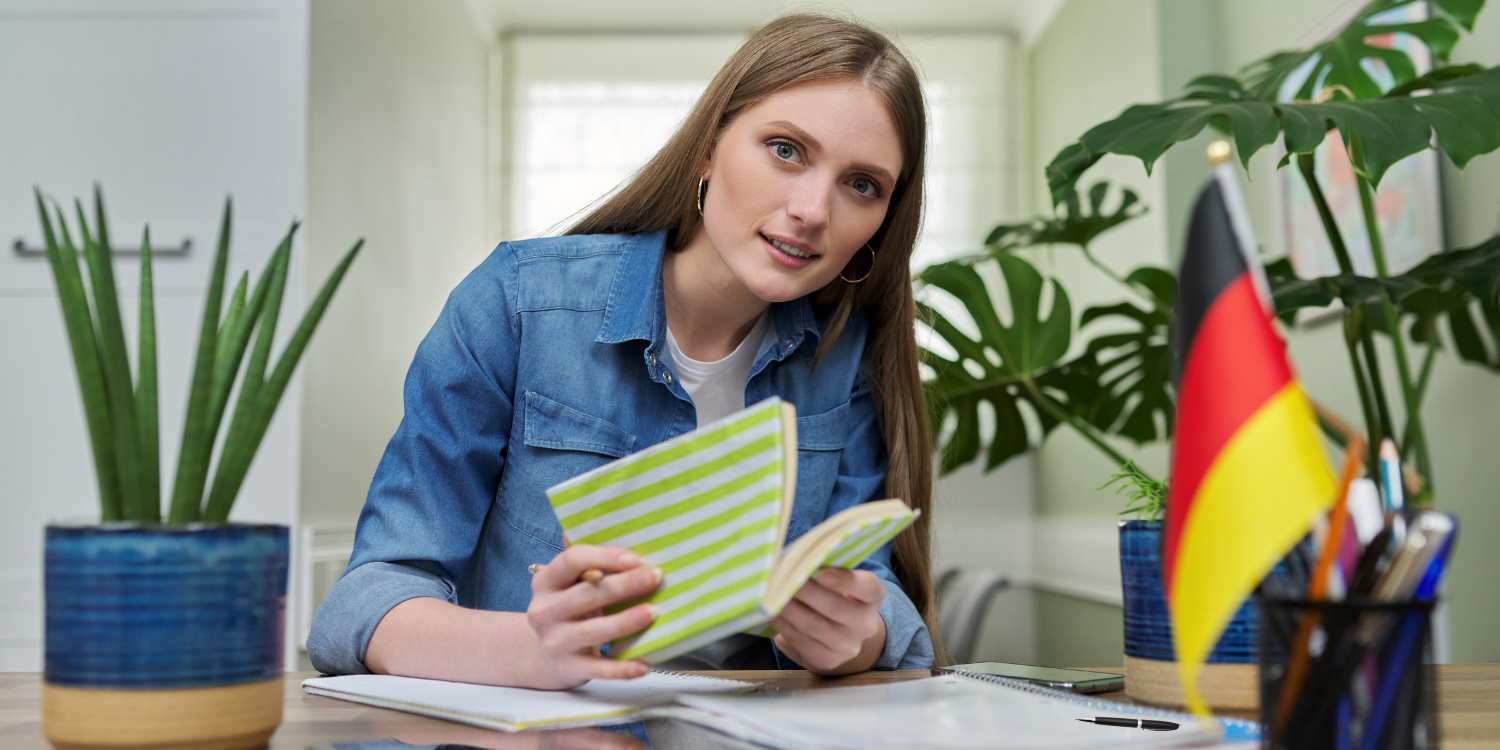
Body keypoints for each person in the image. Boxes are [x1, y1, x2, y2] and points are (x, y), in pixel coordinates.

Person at [308, 11, 935, 713]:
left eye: (862, 185)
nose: (813, 209)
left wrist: (858, 637)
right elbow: (363, 602)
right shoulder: (518, 304)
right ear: (707, 147)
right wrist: (528, 651)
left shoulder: (844, 355)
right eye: (786, 150)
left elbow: (877, 595)